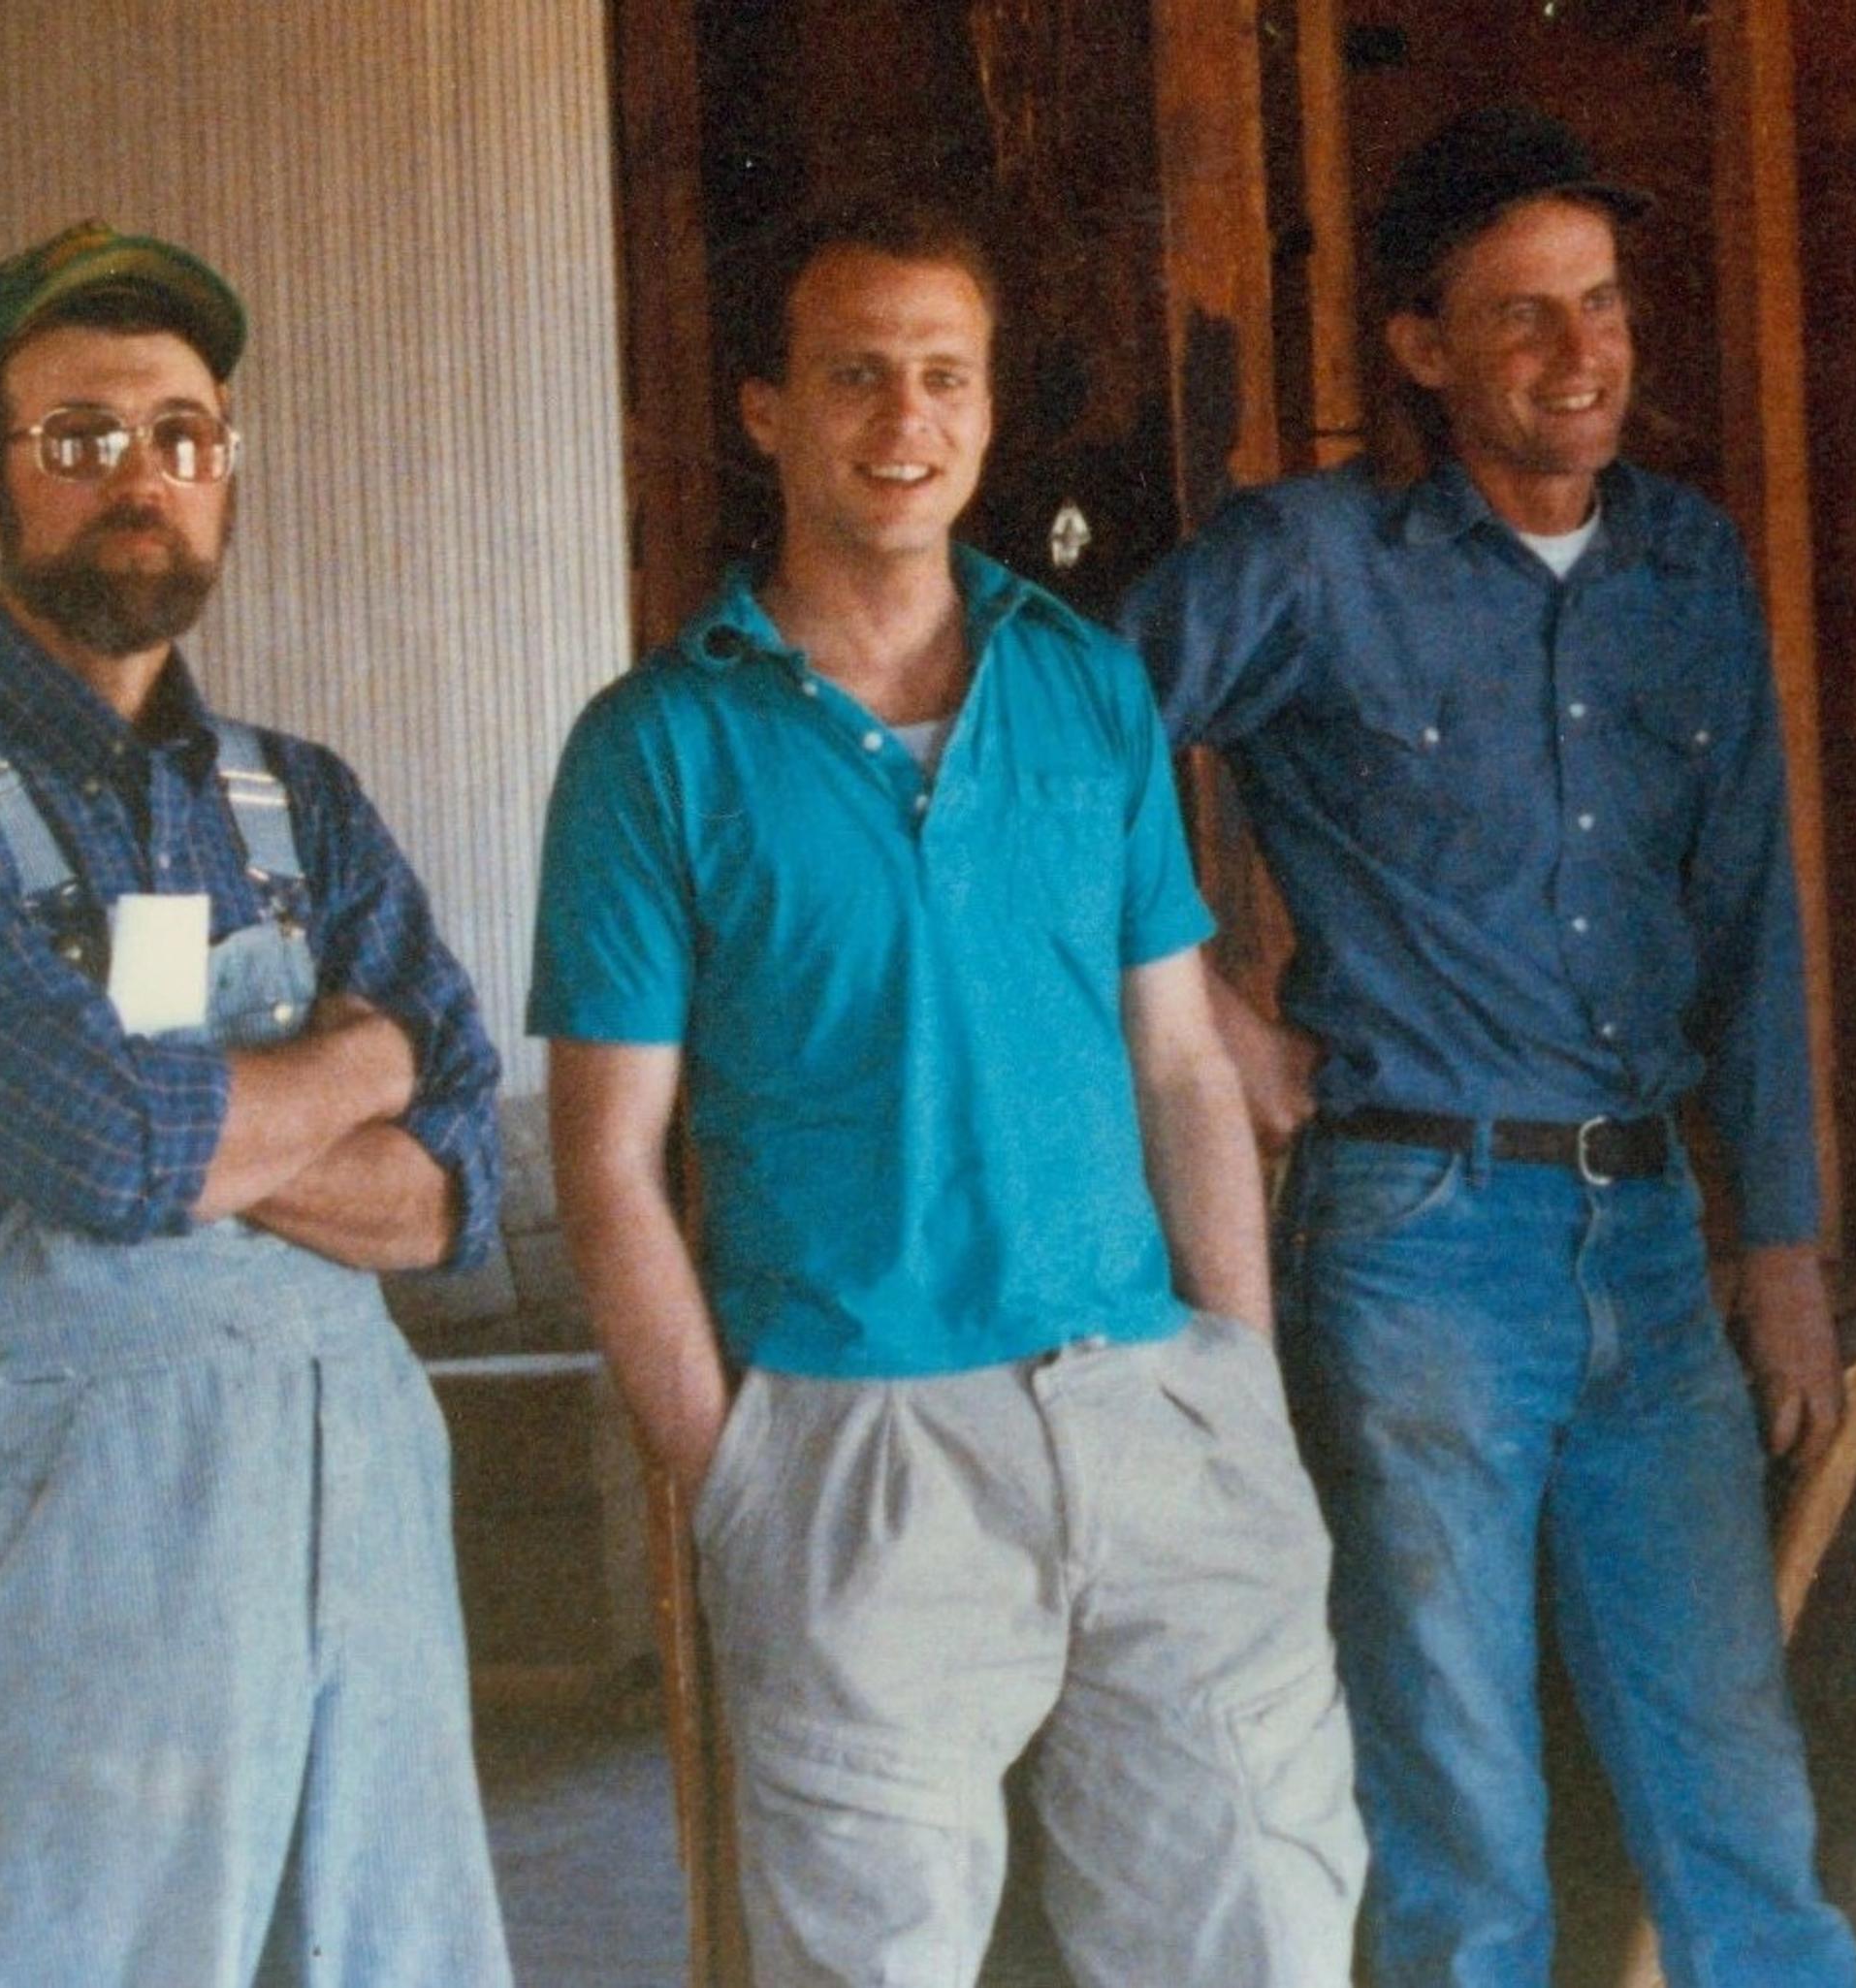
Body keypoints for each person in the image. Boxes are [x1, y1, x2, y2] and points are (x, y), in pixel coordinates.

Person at [531, 195, 1360, 1988]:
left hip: (1153, 1410)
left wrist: (1235, 1373)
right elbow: (604, 1159)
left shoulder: (1084, 689)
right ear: (767, 409)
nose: (904, 420)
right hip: (860, 1445)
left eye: (943, 377)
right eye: (855, 377)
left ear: (985, 411)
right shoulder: (656, 744)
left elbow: (1177, 1061)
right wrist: (734, 1477)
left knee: (1259, 1936)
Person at [1117, 105, 1856, 1988]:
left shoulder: (1688, 565)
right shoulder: (1310, 554)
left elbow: (1762, 909)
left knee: (1742, 1807)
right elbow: (1056, 749)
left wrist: (1780, 1244)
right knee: (1462, 1834)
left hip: (1655, 1242)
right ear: (1423, 347)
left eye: (1600, 303)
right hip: (1419, 1232)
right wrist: (1212, 1011)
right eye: (1521, 315)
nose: (1578, 351)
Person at [0, 221, 510, 1986]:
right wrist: (363, 1061)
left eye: (184, 434)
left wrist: (218, 1136)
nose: (144, 477)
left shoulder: (300, 798)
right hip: (90, 1552)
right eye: (80, 435)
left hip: (361, 1513)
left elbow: (455, 1193)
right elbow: (107, 1155)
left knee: (394, 1953)